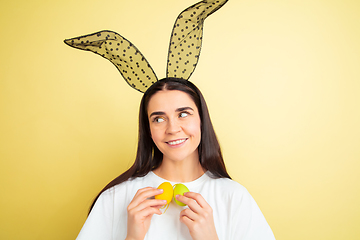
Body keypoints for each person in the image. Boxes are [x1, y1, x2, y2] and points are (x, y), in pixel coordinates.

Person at [75, 77, 276, 240]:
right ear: (148, 129)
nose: (172, 129)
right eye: (159, 119)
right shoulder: (116, 197)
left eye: (183, 114)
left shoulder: (234, 197)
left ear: (201, 120)